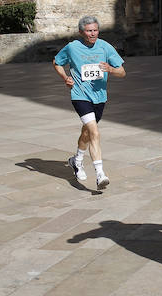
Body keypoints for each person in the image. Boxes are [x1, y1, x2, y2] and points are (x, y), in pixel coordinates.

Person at [53, 16, 126, 190]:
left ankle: (76, 160)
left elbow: (122, 72)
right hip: (79, 95)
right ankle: (100, 173)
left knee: (87, 132)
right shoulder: (72, 47)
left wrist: (110, 69)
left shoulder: (105, 47)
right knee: (94, 131)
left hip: (100, 97)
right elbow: (56, 62)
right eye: (89, 31)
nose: (92, 34)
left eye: (95, 30)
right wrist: (65, 77)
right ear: (81, 32)